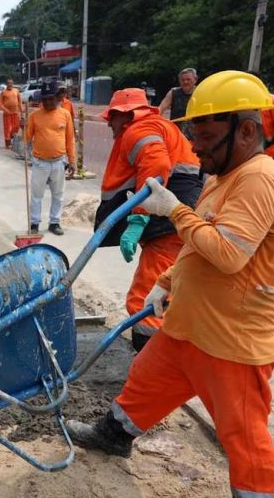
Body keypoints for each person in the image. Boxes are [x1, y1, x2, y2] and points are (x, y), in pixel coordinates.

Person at [67, 71, 274, 498]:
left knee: (243, 437)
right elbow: (195, 245)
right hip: (192, 324)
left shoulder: (259, 178)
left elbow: (227, 253)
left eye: (205, 136)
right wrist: (165, 281)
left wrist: (177, 211)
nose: (195, 146)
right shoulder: (221, 176)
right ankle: (115, 435)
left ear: (247, 131)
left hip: (231, 340)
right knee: (146, 378)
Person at [94, 88, 203, 352]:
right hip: (176, 219)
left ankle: (150, 361)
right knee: (170, 290)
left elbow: (157, 166)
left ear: (126, 114)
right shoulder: (158, 126)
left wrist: (138, 219)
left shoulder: (139, 130)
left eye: (113, 116)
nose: (109, 122)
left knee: (147, 295)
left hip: (169, 224)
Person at [24, 80, 76, 236]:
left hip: (59, 162)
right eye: (45, 99)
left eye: (51, 99)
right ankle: (34, 223)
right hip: (40, 162)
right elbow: (26, 138)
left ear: (57, 98)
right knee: (36, 195)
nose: (47, 102)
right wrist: (22, 127)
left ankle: (54, 222)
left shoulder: (65, 115)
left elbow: (70, 139)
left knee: (58, 194)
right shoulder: (34, 116)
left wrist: (72, 161)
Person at [158, 67, 198, 140]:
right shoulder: (173, 92)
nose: (185, 82)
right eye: (183, 80)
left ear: (195, 80)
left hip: (196, 134)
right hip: (176, 134)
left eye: (188, 79)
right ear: (179, 81)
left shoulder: (200, 92)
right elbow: (160, 109)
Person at [0, 77, 25, 149]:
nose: (10, 84)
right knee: (7, 128)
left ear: (13, 84)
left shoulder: (16, 91)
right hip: (7, 114)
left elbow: (19, 101)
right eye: (8, 83)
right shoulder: (3, 92)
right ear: (6, 84)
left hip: (16, 113)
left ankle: (11, 137)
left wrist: (21, 109)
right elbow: (0, 104)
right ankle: (8, 144)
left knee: (16, 127)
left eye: (11, 83)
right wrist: (6, 110)